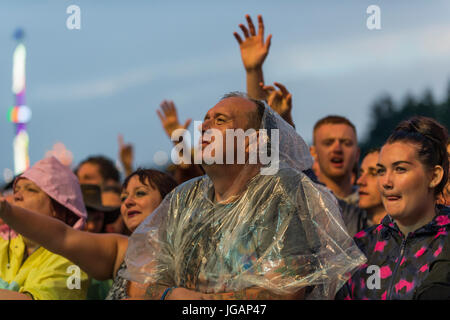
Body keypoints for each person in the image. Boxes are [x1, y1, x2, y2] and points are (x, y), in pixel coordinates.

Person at [122, 92, 366, 300]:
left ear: (251, 142)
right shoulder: (183, 199)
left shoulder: (281, 191)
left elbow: (286, 291)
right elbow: (138, 284)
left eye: (220, 120)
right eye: (206, 120)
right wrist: (170, 295)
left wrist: (198, 302)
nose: (204, 126)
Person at [0, 168, 177, 300]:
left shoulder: (190, 252)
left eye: (140, 193)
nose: (128, 202)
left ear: (171, 200)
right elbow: (63, 237)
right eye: (123, 198)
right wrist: (5, 210)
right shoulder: (123, 249)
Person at [336, 116, 450, 300]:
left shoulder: (446, 242)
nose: (386, 182)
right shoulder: (361, 248)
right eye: (382, 170)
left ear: (434, 176)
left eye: (400, 169)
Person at [0, 156, 89, 300]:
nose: (17, 196)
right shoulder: (3, 243)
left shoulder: (75, 258)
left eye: (30, 190)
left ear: (58, 207)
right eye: (16, 190)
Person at [356, 149, 386, 227]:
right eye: (361, 173)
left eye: (373, 173)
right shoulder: (348, 221)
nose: (360, 181)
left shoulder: (411, 233)